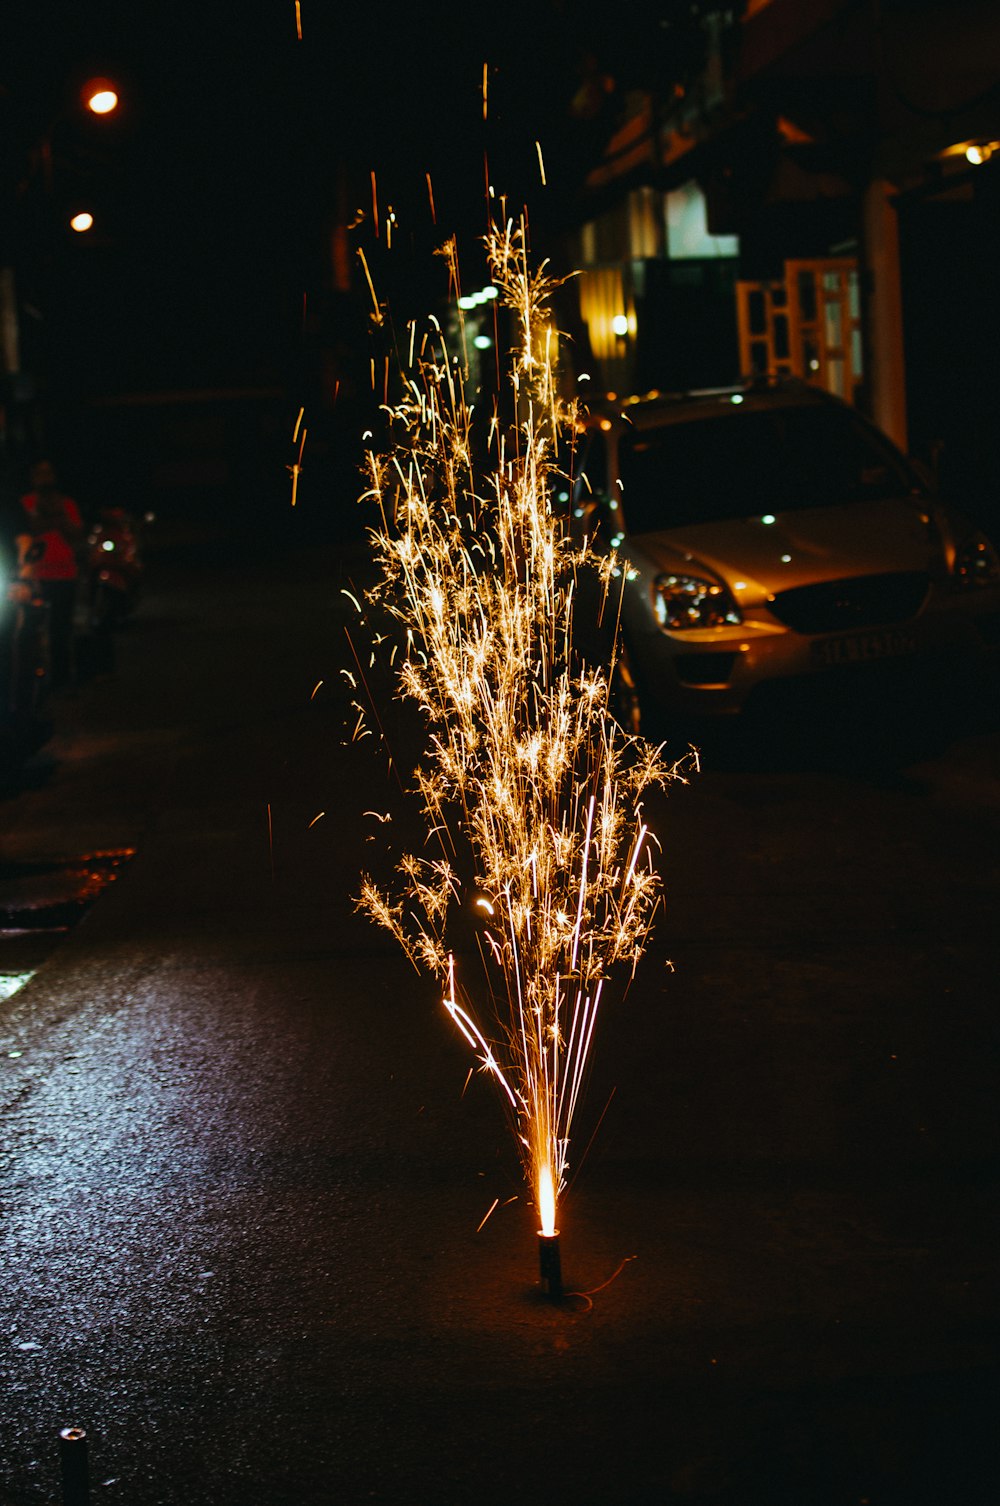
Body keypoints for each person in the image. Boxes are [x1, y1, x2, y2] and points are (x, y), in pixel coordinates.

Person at [19, 459, 84, 688]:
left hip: (65, 575)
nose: (45, 479)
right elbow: (30, 528)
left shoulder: (66, 504)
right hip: (36, 576)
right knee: (29, 630)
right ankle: (29, 682)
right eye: (40, 473)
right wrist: (48, 518)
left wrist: (59, 516)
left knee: (61, 630)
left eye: (48, 473)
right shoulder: (25, 503)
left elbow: (75, 533)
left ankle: (61, 681)